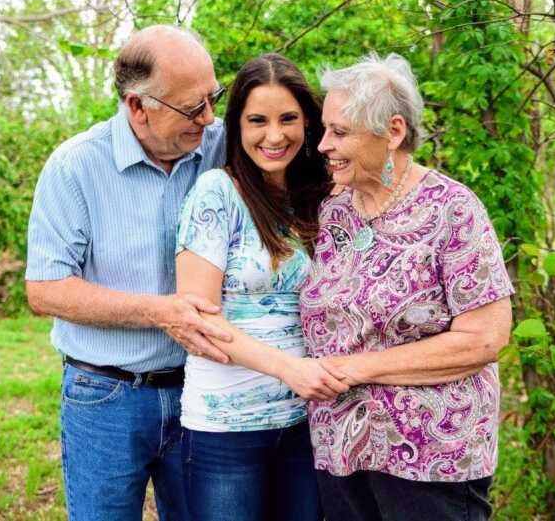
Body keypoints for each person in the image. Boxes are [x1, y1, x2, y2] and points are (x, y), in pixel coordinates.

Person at [25, 25, 232, 521]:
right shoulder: (75, 166)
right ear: (138, 107)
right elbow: (46, 290)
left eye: (213, 98)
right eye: (191, 107)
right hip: (106, 395)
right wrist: (163, 313)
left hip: (204, 390)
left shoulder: (223, 145)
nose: (208, 117)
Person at [300, 53, 515, 521]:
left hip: (432, 459)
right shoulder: (335, 211)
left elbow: (484, 338)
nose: (322, 145)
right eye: (324, 129)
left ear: (393, 132)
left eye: (339, 132)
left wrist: (358, 369)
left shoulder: (453, 210)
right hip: (339, 450)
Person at [174, 53, 349, 521]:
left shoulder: (320, 198)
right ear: (237, 127)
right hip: (225, 429)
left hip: (304, 424)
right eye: (258, 121)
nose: (275, 135)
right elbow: (198, 321)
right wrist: (290, 370)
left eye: (288, 119)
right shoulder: (217, 192)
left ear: (309, 124)